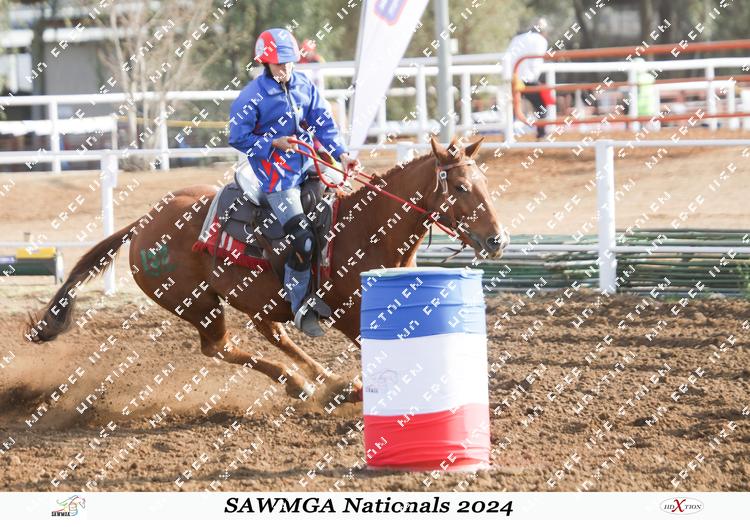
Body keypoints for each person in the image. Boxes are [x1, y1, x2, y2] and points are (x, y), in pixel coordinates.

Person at [228, 27, 360, 337]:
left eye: (289, 62)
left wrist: (341, 154)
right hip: (276, 177)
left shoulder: (304, 85)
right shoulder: (251, 96)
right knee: (303, 239)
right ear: (265, 63)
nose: (285, 68)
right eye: (279, 63)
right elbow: (237, 136)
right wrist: (273, 143)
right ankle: (300, 304)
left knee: (342, 210)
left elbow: (323, 122)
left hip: (308, 164)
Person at [507, 17, 552, 139]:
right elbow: (535, 63)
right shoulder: (540, 40)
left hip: (512, 79)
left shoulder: (518, 38)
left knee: (512, 107)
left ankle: (508, 135)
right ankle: (541, 134)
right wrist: (535, 79)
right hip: (528, 80)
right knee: (541, 106)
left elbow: (508, 58)